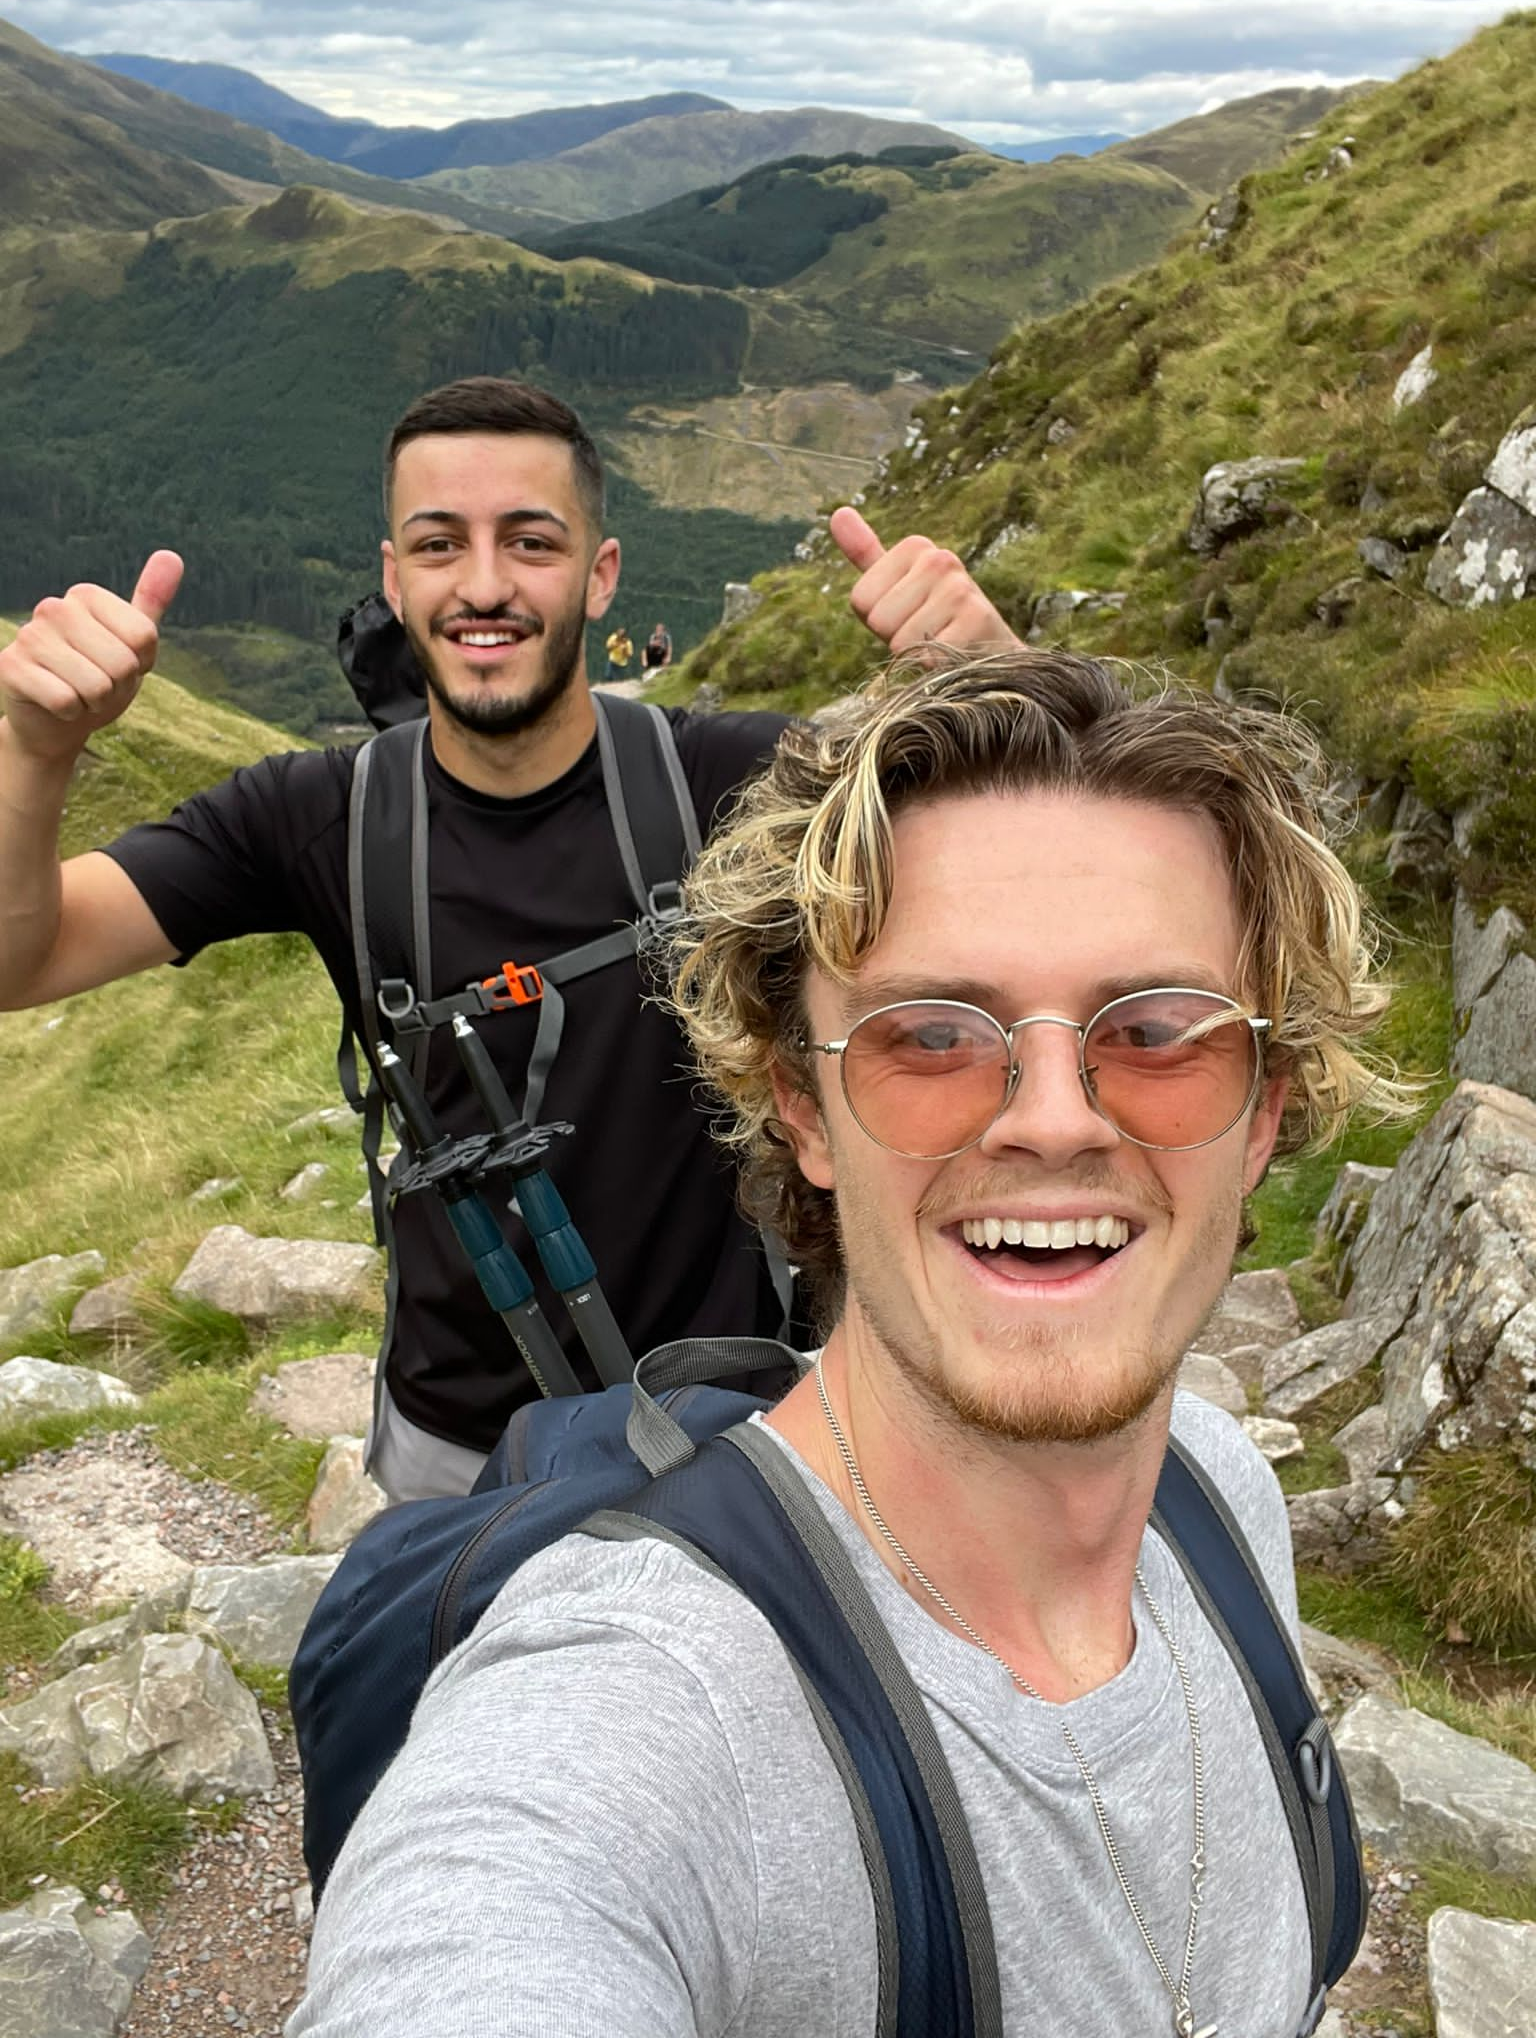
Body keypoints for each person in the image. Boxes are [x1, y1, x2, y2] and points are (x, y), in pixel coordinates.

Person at [291, 649, 1404, 2034]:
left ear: (1263, 1112)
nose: (1054, 1118)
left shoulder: (1221, 1500)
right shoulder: (644, 1712)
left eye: (1160, 1032)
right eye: (929, 1037)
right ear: (801, 1112)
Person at [0, 377, 1019, 1502]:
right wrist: (34, 750)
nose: (484, 585)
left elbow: (1044, 893)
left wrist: (1005, 685)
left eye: (530, 542)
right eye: (440, 544)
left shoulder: (736, 781)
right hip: (458, 1457)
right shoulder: (311, 817)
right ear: (394, 578)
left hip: (744, 1415)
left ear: (601, 570)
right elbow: (25, 958)